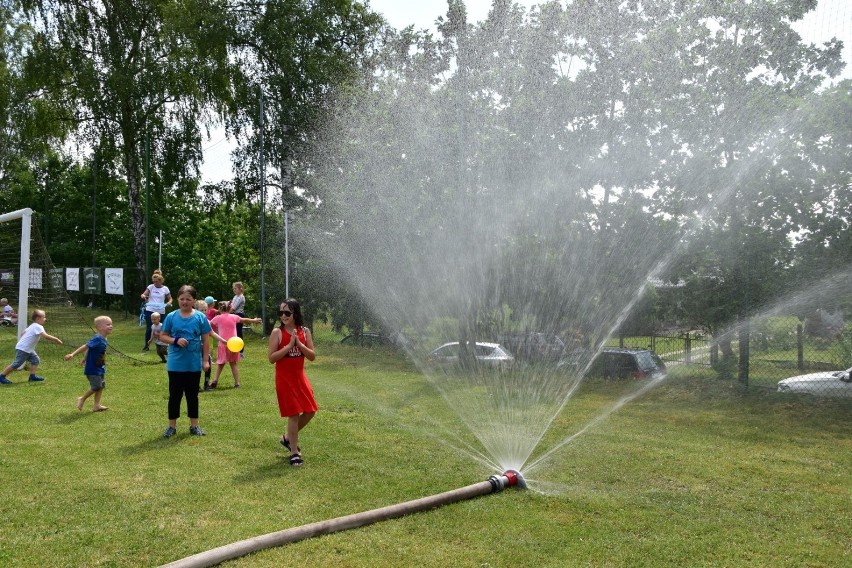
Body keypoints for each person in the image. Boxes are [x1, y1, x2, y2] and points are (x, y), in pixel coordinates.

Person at [268, 299, 317, 466]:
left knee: (310, 411)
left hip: (300, 377)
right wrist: (289, 346)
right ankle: (294, 452)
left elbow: (311, 356)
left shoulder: (305, 331)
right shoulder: (277, 333)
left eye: (287, 313)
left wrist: (299, 344)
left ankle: (287, 438)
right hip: (284, 378)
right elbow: (271, 358)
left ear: (295, 313)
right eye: (281, 313)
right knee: (294, 414)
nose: (283, 316)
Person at [159, 285, 212, 438]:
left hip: (193, 364)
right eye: (182, 299)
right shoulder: (171, 317)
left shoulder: (200, 318)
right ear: (177, 300)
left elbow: (206, 341)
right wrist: (175, 340)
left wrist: (205, 361)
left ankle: (194, 426)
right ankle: (171, 427)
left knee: (192, 395)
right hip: (175, 364)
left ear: (194, 300)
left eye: (188, 299)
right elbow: (163, 336)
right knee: (174, 395)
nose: (185, 302)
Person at [0, 309, 64, 384]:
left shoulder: (33, 325)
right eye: (44, 317)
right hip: (24, 349)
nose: (45, 319)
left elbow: (23, 333)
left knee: (35, 360)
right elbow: (46, 336)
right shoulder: (38, 326)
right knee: (17, 363)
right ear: (38, 318)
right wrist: (56, 339)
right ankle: (2, 376)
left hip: (27, 348)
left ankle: (32, 377)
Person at [64, 316, 113, 412]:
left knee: (101, 386)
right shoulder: (98, 338)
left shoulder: (104, 339)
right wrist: (73, 354)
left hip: (100, 367)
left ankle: (96, 405)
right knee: (96, 386)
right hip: (92, 368)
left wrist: (84, 358)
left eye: (111, 324)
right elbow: (85, 346)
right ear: (99, 328)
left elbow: (91, 349)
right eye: (108, 324)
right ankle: (82, 398)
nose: (111, 326)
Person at [209, 308, 261, 389]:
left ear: (220, 309)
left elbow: (208, 324)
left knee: (220, 364)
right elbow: (245, 320)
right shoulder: (234, 316)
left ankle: (215, 380)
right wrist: (254, 320)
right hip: (234, 344)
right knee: (233, 363)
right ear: (230, 309)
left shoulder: (217, 318)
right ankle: (237, 383)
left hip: (222, 344)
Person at [140, 269, 172, 351]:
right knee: (149, 328)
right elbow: (144, 294)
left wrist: (169, 302)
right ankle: (146, 345)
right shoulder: (150, 287)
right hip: (150, 310)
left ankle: (163, 345)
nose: (155, 283)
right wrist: (143, 296)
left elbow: (170, 299)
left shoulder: (165, 289)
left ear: (161, 281)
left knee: (163, 327)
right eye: (153, 281)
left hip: (161, 310)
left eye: (156, 281)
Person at [229, 282, 246, 356]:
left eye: (235, 288)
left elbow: (234, 307)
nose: (234, 290)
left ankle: (241, 351)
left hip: (239, 315)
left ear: (240, 289)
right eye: (233, 289)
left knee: (238, 332)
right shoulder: (235, 296)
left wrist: (226, 313)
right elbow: (231, 305)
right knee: (234, 332)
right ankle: (235, 349)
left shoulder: (241, 297)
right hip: (234, 315)